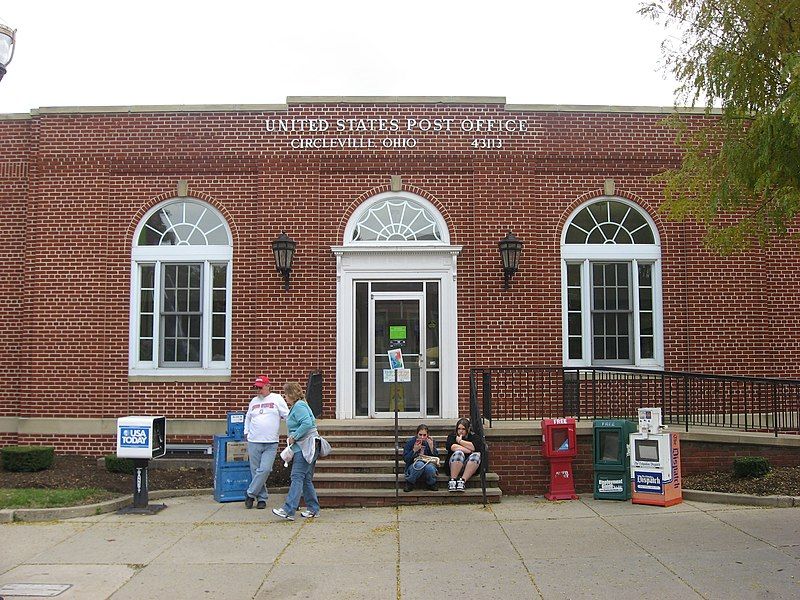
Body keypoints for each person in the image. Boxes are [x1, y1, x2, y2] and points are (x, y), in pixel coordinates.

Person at [272, 381, 322, 521]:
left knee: (297, 476)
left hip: (304, 446)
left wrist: (294, 436)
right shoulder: (300, 405)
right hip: (310, 445)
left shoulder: (299, 406)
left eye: (286, 394)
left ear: (291, 394)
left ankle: (288, 509)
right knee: (306, 479)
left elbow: (307, 423)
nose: (285, 397)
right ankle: (313, 509)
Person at [244, 374, 289, 509]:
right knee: (255, 470)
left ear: (268, 386)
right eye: (256, 388)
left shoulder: (277, 398)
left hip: (271, 442)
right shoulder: (253, 401)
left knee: (265, 469)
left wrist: (292, 431)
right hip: (254, 440)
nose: (258, 391)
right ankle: (261, 498)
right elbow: (248, 418)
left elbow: (286, 415)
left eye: (260, 388)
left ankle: (250, 493)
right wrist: (246, 432)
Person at [446, 418, 483, 492]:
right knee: (459, 453)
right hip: (453, 465)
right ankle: (452, 481)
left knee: (476, 455)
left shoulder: (474, 437)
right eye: (459, 428)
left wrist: (460, 441)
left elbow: (474, 447)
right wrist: (469, 450)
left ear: (468, 429)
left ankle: (462, 481)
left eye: (463, 429)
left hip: (469, 467)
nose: (461, 431)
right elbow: (453, 447)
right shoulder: (452, 436)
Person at [403, 423, 439, 492]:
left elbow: (436, 458)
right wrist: (414, 450)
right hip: (413, 466)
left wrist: (432, 448)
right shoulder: (411, 442)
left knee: (430, 467)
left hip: (427, 464)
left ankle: (431, 483)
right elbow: (406, 459)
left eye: (424, 435)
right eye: (420, 435)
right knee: (420, 464)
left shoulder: (430, 442)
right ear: (417, 434)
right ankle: (410, 483)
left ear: (427, 435)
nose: (422, 437)